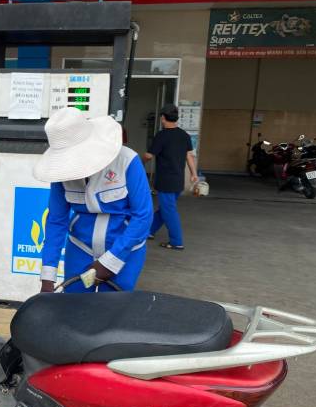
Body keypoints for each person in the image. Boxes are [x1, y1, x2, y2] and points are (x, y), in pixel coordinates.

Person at [34, 108, 153, 293]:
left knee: (112, 309)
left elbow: (143, 216)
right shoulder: (61, 173)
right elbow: (57, 221)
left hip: (124, 249)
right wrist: (47, 278)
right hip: (81, 249)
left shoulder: (126, 161)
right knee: (76, 307)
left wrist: (111, 261)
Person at [143, 104, 198, 251]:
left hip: (166, 181)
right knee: (165, 209)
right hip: (178, 181)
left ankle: (176, 241)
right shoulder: (184, 135)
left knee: (169, 211)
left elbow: (149, 155)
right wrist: (193, 174)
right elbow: (189, 156)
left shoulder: (161, 136)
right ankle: (148, 231)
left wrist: (137, 162)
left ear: (162, 118)